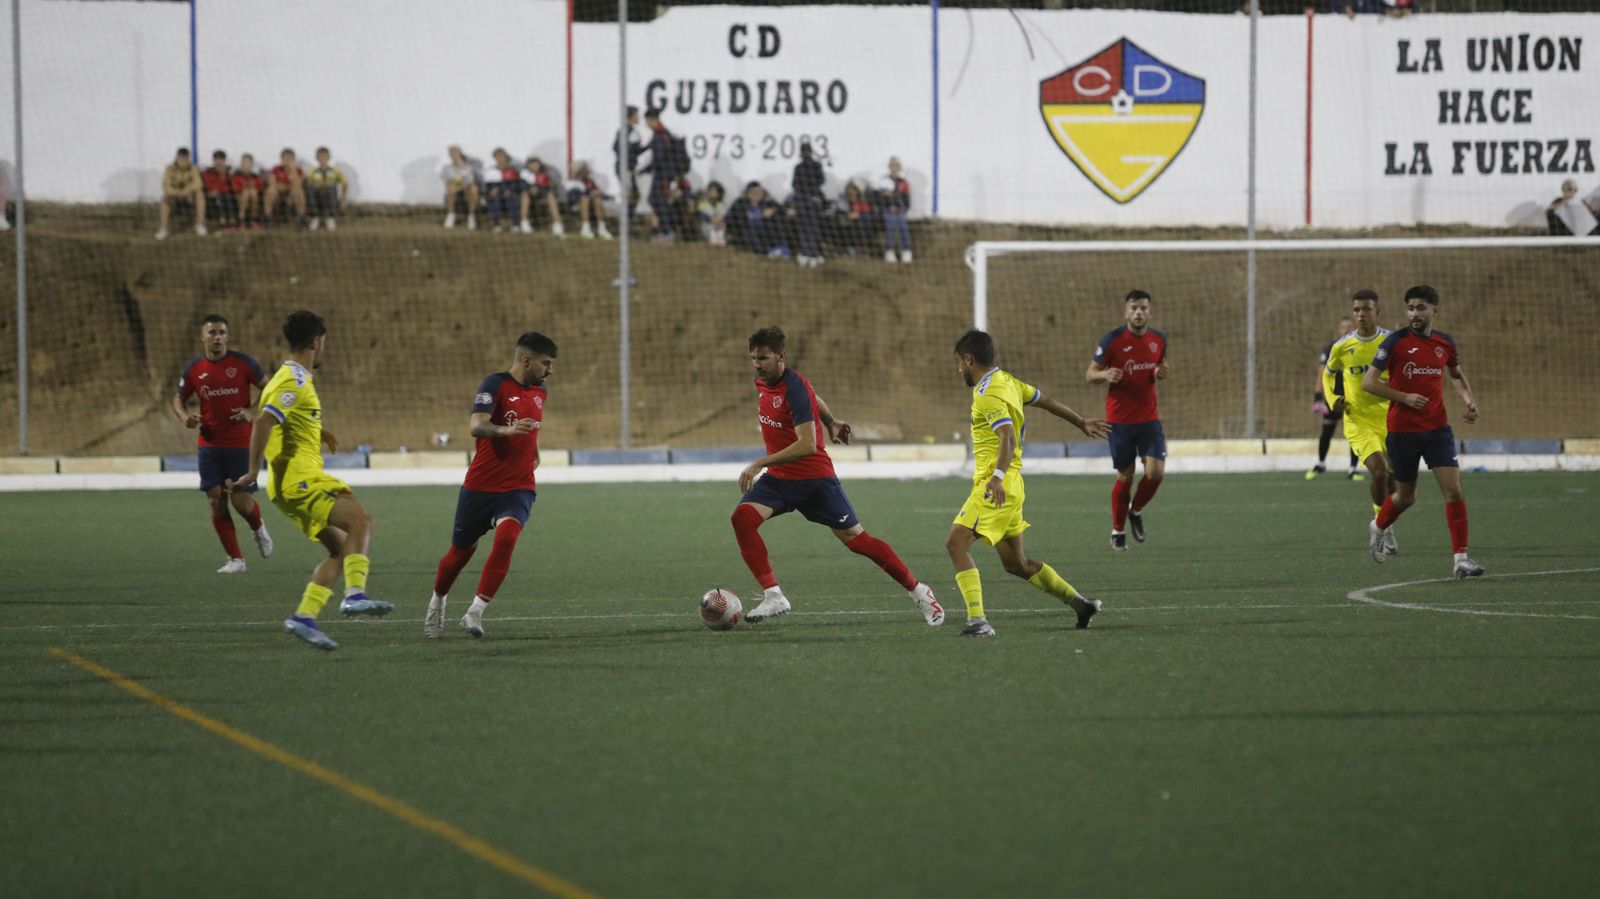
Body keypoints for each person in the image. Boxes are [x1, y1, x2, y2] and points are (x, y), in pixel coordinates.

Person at [733, 326, 944, 627]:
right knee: (742, 518)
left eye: (763, 358)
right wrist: (831, 421)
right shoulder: (765, 382)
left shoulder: (794, 386)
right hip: (780, 479)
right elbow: (814, 398)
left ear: (781, 356)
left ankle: (920, 591)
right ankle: (773, 595)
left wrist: (759, 463)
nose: (757, 364)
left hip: (814, 479)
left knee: (857, 540)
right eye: (753, 358)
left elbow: (808, 445)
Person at [227, 311, 394, 651]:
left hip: (289, 485)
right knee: (361, 521)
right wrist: (251, 471)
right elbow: (263, 423)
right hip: (299, 480)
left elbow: (283, 421)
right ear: (317, 342)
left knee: (341, 548)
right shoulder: (294, 380)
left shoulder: (288, 378)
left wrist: (317, 432)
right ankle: (354, 594)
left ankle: (305, 616)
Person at [945, 329, 1108, 637]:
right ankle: (1081, 605)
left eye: (958, 362)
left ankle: (978, 621)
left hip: (995, 487)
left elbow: (1006, 436)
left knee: (955, 543)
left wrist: (995, 478)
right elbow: (1045, 400)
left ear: (969, 359)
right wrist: (1081, 421)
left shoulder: (987, 395)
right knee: (1016, 565)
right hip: (1013, 486)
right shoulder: (1008, 381)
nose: (958, 370)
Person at [427, 332, 557, 639]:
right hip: (481, 486)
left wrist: (532, 447)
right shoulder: (494, 384)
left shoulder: (541, 390)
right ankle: (437, 602)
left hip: (519, 486)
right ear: (526, 360)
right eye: (546, 363)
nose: (549, 370)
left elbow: (531, 423)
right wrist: (506, 431)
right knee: (458, 556)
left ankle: (475, 612)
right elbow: (476, 425)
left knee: (507, 538)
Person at [1361, 285, 1484, 578]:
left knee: (1453, 490)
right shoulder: (1395, 342)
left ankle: (1461, 559)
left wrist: (1469, 401)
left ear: (1434, 311)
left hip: (1438, 429)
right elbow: (1369, 382)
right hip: (1402, 431)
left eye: (1420, 308)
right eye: (1410, 308)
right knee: (1406, 497)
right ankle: (1378, 525)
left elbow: (1455, 373)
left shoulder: (1445, 343)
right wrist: (1404, 397)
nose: (1414, 314)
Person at [171, 314, 272, 573]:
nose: (217, 337)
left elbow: (270, 388)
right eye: (212, 332)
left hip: (240, 444)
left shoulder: (243, 364)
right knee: (215, 500)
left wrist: (251, 411)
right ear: (203, 337)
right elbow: (178, 398)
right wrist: (185, 417)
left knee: (241, 503)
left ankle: (258, 528)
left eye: (222, 332)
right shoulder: (194, 369)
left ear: (227, 336)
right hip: (209, 444)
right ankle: (236, 560)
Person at [1087, 289, 1170, 551]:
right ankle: (1118, 530)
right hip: (1120, 421)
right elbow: (1090, 374)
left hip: (1149, 420)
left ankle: (1135, 510)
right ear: (1126, 311)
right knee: (1126, 474)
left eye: (1143, 308)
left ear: (1150, 311)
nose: (1138, 312)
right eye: (1134, 307)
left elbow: (1161, 366)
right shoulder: (1112, 340)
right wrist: (1105, 375)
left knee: (1155, 473)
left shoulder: (1159, 339)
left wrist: (1162, 371)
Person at [1323, 290, 1397, 554]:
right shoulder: (1342, 346)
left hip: (1392, 419)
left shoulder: (1391, 342)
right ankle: (1382, 525)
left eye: (1366, 309)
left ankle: (1386, 522)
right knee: (1378, 471)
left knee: (1394, 481)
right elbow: (1328, 374)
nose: (1360, 315)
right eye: (1356, 310)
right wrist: (1333, 399)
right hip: (1358, 421)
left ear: (1378, 312)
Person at [1308, 315, 1362, 480]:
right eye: (1343, 327)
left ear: (1354, 328)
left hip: (1353, 398)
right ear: (1339, 329)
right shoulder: (1331, 348)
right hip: (1333, 397)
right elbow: (1322, 372)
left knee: (1354, 433)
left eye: (1349, 327)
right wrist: (1318, 396)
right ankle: (1321, 463)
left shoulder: (1359, 348)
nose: (1346, 329)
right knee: (1327, 429)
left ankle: (1353, 468)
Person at [640, 108, 680, 240]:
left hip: (663, 175)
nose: (646, 124)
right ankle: (664, 230)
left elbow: (659, 158)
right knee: (655, 200)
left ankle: (666, 232)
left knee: (660, 202)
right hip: (662, 174)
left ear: (652, 120)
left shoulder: (661, 135)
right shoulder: (660, 133)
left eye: (646, 121)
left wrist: (644, 170)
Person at [156, 147, 206, 240]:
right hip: (174, 197)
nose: (182, 160)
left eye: (185, 158)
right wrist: (179, 193)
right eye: (180, 158)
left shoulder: (193, 168)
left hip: (189, 197)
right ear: (176, 158)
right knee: (164, 199)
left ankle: (200, 224)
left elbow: (198, 183)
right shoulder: (169, 169)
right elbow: (166, 186)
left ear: (188, 159)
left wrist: (188, 190)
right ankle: (163, 229)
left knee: (200, 194)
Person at [791, 141, 827, 268]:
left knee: (806, 228)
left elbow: (795, 185)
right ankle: (813, 254)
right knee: (812, 227)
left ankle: (808, 254)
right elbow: (821, 181)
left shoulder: (799, 167)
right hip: (812, 201)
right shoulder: (816, 165)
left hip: (802, 200)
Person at [728, 181, 783, 257]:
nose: (756, 194)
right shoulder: (739, 203)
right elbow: (730, 217)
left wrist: (774, 209)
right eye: (753, 191)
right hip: (745, 234)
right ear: (747, 193)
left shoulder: (768, 203)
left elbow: (782, 209)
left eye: (759, 192)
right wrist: (730, 232)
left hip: (764, 234)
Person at [611, 105, 645, 226]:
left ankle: (627, 223)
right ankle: (625, 226)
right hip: (624, 169)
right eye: (637, 115)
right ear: (631, 117)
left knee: (634, 195)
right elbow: (616, 148)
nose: (639, 118)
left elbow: (635, 150)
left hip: (628, 168)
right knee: (629, 195)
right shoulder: (624, 131)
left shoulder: (632, 132)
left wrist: (647, 146)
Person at [875, 157, 912, 263]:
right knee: (890, 226)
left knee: (903, 226)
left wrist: (900, 208)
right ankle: (889, 251)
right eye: (892, 166)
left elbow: (907, 201)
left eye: (897, 166)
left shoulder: (904, 183)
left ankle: (907, 251)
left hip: (900, 211)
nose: (894, 168)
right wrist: (888, 205)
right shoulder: (883, 181)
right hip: (887, 210)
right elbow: (878, 198)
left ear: (900, 168)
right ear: (889, 167)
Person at [518, 156, 565, 238]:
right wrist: (530, 188)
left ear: (539, 164)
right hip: (529, 196)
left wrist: (539, 189)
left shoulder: (547, 173)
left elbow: (551, 187)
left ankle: (557, 224)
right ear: (528, 166)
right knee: (524, 195)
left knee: (550, 196)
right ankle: (524, 222)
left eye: (535, 164)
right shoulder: (524, 173)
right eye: (531, 165)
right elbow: (520, 185)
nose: (533, 166)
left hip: (543, 194)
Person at [305, 146, 347, 231]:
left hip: (330, 197)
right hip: (317, 197)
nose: (322, 159)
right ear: (316, 158)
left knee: (332, 185)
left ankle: (330, 218)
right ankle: (314, 217)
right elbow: (308, 182)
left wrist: (343, 198)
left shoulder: (335, 170)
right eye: (320, 156)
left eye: (324, 156)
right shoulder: (312, 170)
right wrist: (315, 184)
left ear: (329, 158)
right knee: (309, 187)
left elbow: (345, 183)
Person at [568, 161, 612, 239]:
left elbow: (599, 192)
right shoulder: (573, 181)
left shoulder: (593, 179)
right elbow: (572, 196)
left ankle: (602, 229)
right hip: (578, 203)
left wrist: (597, 193)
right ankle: (585, 229)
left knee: (597, 200)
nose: (584, 172)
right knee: (585, 199)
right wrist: (589, 194)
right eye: (582, 170)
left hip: (593, 201)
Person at [481, 148, 521, 233]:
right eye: (497, 156)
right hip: (495, 195)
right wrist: (490, 191)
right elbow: (486, 186)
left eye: (502, 156)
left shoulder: (513, 169)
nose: (500, 158)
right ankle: (497, 225)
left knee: (512, 198)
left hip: (510, 193)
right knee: (494, 199)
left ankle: (516, 225)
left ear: (506, 157)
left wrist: (509, 190)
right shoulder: (490, 171)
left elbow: (517, 184)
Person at [264, 148, 306, 227]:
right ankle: (267, 218)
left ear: (294, 160)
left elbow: (298, 184)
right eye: (285, 158)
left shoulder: (298, 170)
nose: (287, 160)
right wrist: (287, 186)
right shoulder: (276, 169)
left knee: (298, 191)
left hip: (292, 197)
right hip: (278, 196)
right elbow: (272, 183)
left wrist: (293, 170)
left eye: (290, 158)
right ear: (281, 159)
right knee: (271, 190)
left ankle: (302, 219)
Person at [441, 145, 480, 230]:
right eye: (452, 154)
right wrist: (454, 183)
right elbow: (446, 182)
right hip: (453, 188)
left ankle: (471, 216)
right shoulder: (446, 168)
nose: (455, 156)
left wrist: (463, 184)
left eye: (457, 153)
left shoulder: (467, 167)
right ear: (450, 156)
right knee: (451, 188)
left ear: (460, 154)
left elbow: (471, 180)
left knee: (474, 189)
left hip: (466, 188)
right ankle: (451, 215)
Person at [201, 150, 237, 230]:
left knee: (227, 197)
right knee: (219, 198)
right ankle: (222, 222)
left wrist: (223, 175)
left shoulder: (229, 174)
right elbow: (206, 187)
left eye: (221, 160)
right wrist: (209, 193)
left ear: (224, 161)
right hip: (210, 200)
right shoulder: (207, 173)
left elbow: (232, 188)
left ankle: (231, 222)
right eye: (217, 160)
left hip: (225, 197)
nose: (219, 162)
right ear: (213, 161)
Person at [231, 153, 266, 229]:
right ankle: (241, 220)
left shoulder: (256, 177)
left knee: (253, 192)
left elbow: (260, 189)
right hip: (239, 200)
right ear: (240, 164)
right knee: (246, 193)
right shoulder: (236, 175)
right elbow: (235, 189)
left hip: (253, 201)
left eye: (248, 162)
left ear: (252, 165)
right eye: (243, 162)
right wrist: (246, 187)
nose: (245, 164)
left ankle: (253, 220)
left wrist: (251, 187)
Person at [697, 181, 728, 246]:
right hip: (707, 226)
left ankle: (720, 239)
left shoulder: (722, 205)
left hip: (719, 225)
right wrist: (711, 219)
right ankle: (711, 239)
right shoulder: (703, 203)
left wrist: (720, 221)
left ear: (719, 193)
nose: (711, 193)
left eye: (714, 191)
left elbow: (724, 217)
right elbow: (700, 215)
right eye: (709, 190)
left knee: (722, 229)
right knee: (710, 229)